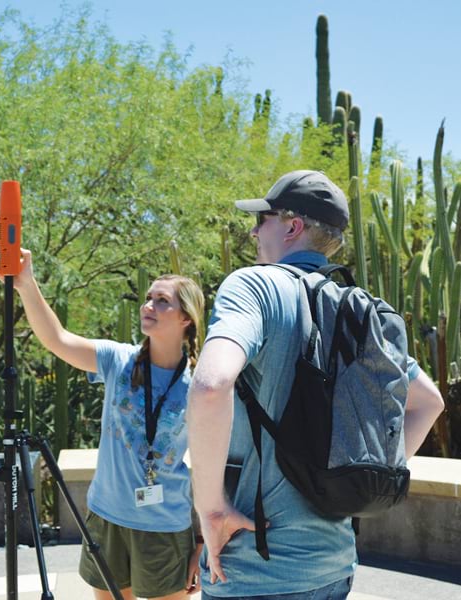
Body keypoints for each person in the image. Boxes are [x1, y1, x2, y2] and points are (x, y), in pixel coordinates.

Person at [187, 170, 445, 600]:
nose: (253, 230)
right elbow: (428, 402)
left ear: (292, 226)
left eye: (263, 218)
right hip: (334, 568)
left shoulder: (255, 285)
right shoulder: (353, 308)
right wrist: (358, 479)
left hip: (255, 574)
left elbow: (211, 384)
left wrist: (211, 510)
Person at [0, 248, 205, 600]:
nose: (147, 305)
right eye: (148, 298)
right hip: (107, 516)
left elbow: (206, 468)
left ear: (186, 318)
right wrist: (26, 285)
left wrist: (202, 543)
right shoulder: (117, 360)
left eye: (162, 301)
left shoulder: (199, 384)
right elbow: (57, 340)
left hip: (164, 526)